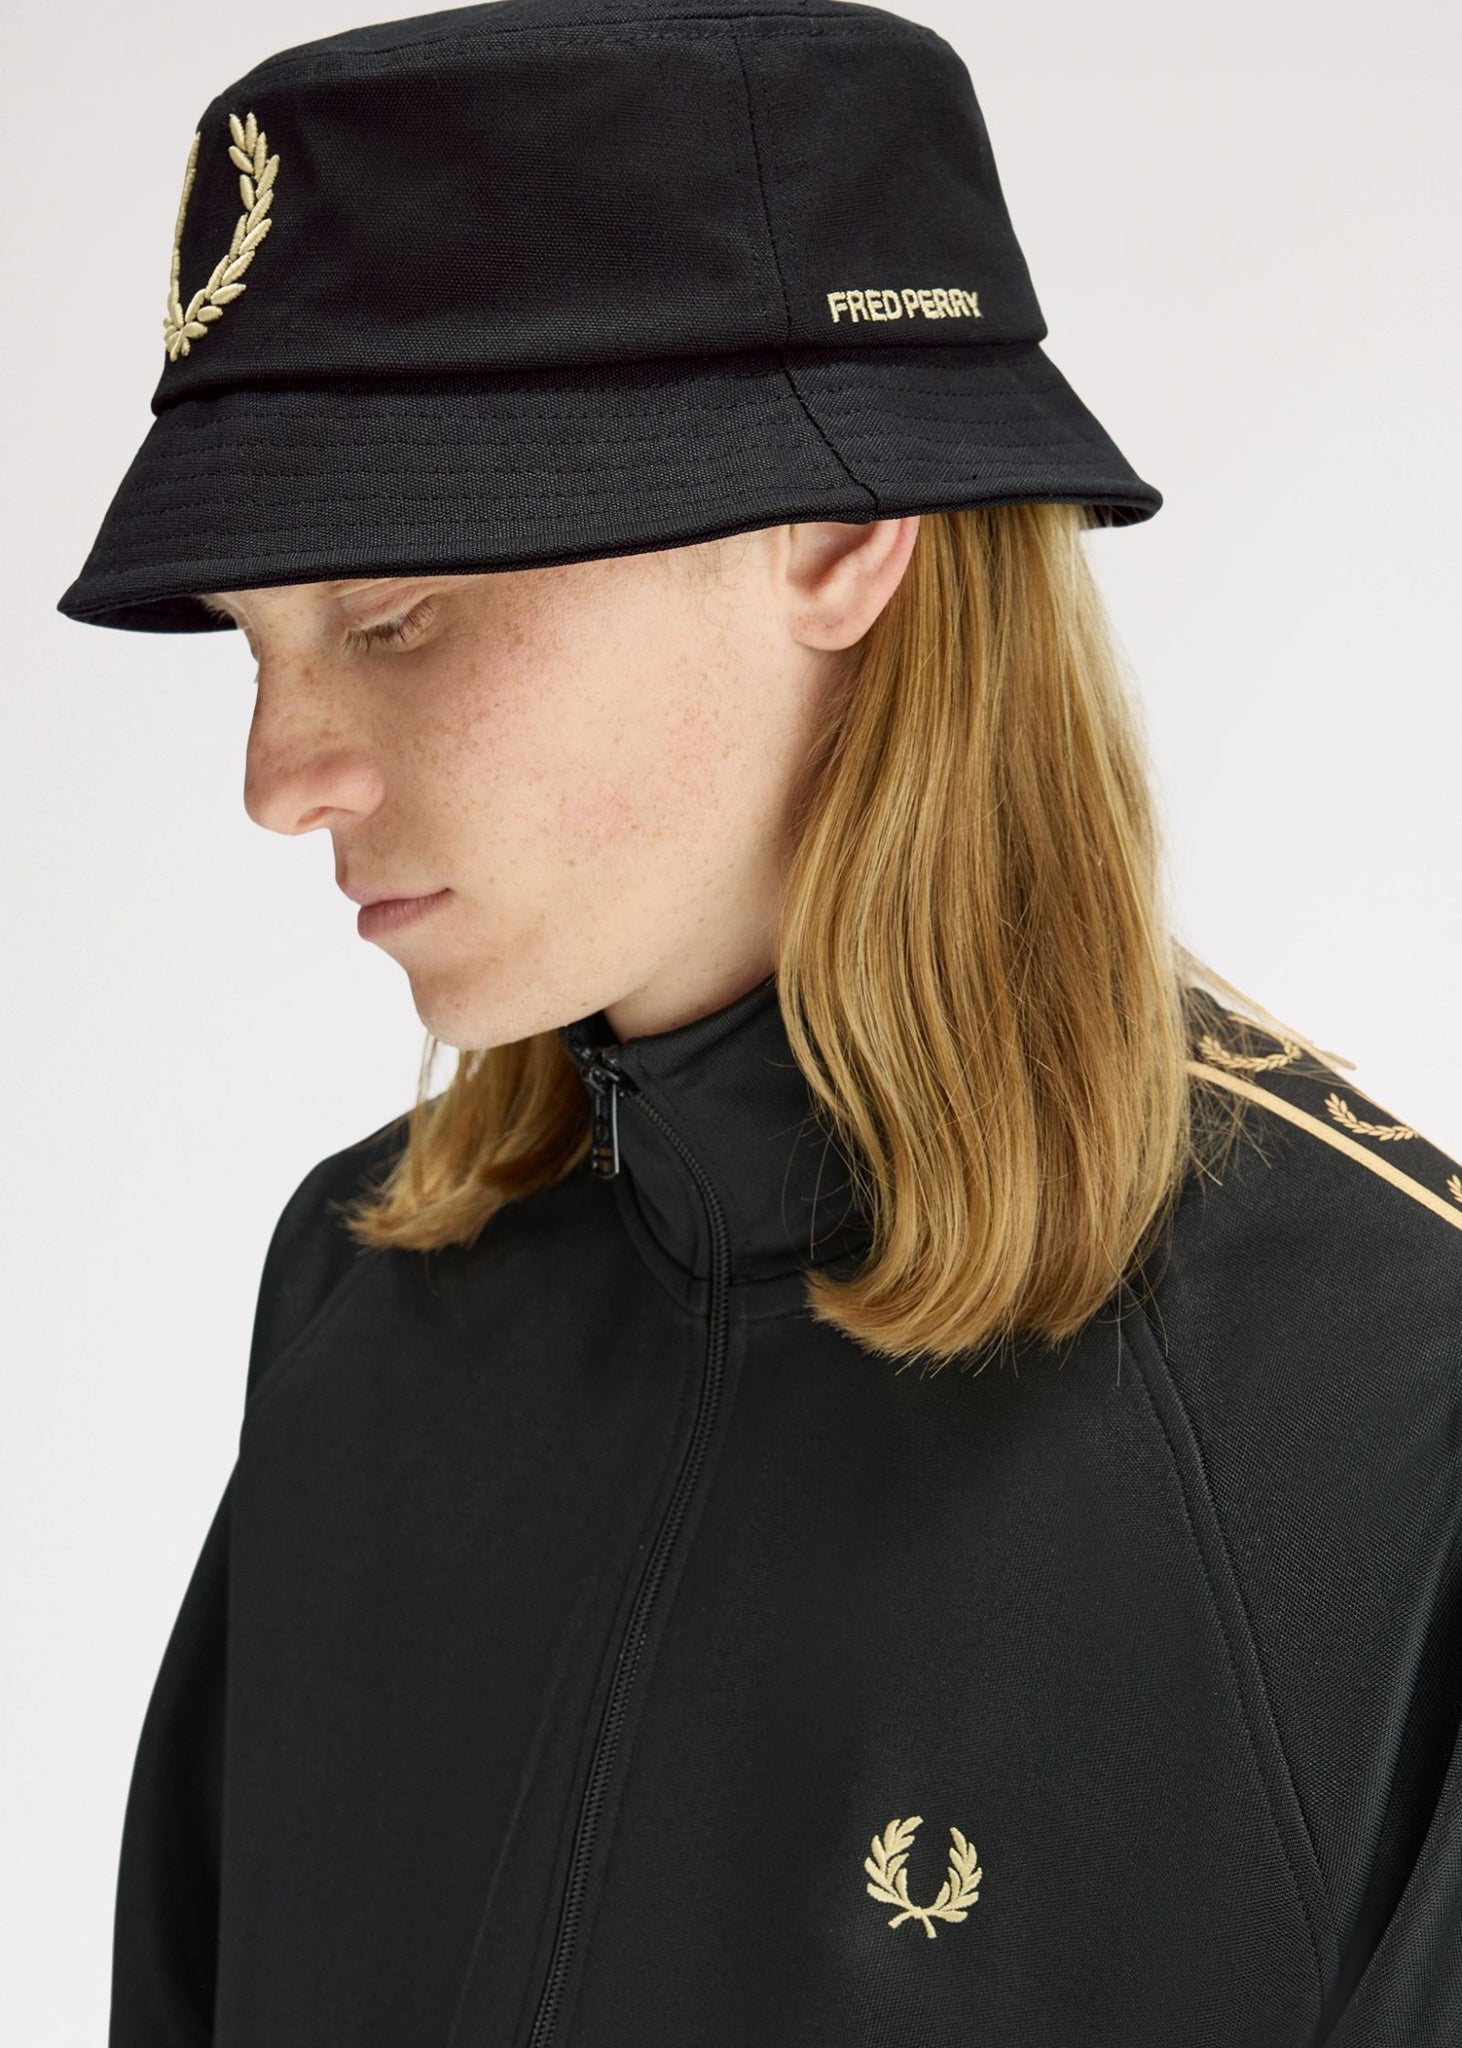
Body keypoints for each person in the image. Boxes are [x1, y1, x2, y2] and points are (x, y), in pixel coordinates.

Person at [58, 2, 1462, 2043]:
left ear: (835, 528)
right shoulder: (363, 1302)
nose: (280, 777)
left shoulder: (1391, 1428)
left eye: (390, 619)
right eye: (252, 645)